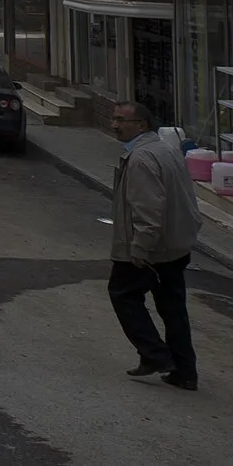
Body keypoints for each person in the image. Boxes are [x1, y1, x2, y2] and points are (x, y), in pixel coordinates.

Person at [106, 102, 202, 390]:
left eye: (121, 120)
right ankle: (184, 372)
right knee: (173, 307)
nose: (114, 125)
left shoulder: (141, 159)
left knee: (122, 294)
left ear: (141, 125)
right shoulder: (167, 150)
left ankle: (155, 355)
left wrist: (139, 249)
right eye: (113, 118)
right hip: (176, 245)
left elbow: (148, 211)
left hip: (151, 249)